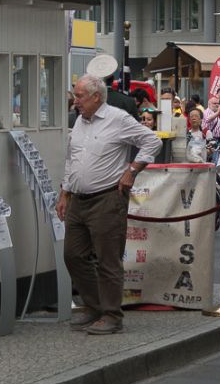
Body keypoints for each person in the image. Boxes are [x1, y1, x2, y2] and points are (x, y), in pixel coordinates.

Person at [60, 74, 162, 336]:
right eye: (75, 94)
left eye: (80, 95)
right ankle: (95, 307)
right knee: (73, 255)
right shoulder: (80, 121)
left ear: (96, 96)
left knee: (108, 259)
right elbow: (72, 159)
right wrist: (65, 192)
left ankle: (112, 315)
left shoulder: (118, 118)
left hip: (107, 198)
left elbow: (152, 141)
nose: (75, 100)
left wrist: (132, 170)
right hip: (78, 199)